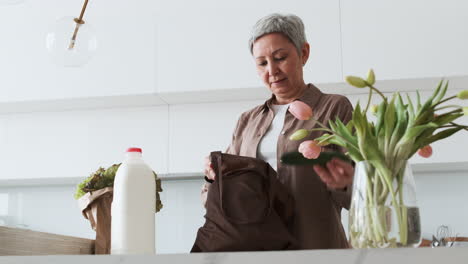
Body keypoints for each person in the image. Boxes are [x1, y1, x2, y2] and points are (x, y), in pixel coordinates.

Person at [202, 13, 354, 250]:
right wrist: (214, 178)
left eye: (280, 58)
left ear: (304, 53)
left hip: (317, 249)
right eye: (262, 63)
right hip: (258, 252)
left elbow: (359, 193)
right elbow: (212, 197)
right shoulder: (247, 121)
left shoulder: (333, 108)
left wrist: (344, 179)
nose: (271, 70)